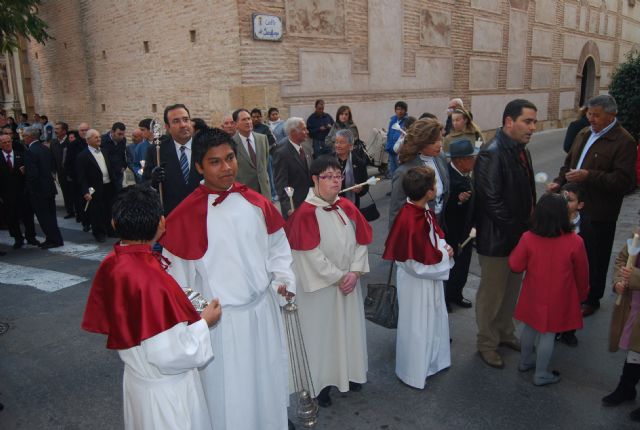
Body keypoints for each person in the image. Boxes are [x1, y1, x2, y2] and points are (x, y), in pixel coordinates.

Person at [161, 128, 296, 430]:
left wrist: (282, 281)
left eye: (230, 158)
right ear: (199, 166)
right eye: (215, 162)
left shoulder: (256, 202)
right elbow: (175, 282)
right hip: (222, 325)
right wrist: (199, 317)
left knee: (266, 381)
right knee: (230, 397)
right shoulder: (183, 217)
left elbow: (278, 246)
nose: (227, 168)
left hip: (262, 313)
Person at [81, 185, 221, 430]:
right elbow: (170, 355)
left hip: (138, 381)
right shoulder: (151, 281)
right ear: (162, 223)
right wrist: (203, 323)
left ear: (114, 223)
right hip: (166, 395)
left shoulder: (113, 262)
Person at [285, 156, 371, 407]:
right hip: (322, 289)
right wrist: (339, 276)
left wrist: (355, 272)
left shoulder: (347, 206)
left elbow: (361, 241)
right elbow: (309, 255)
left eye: (338, 176)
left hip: (348, 283)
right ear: (314, 180)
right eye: (328, 176)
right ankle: (321, 383)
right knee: (323, 337)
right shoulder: (305, 213)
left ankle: (351, 373)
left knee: (349, 331)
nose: (335, 181)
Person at [548, 94, 636, 317]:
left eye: (596, 115)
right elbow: (569, 163)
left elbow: (624, 181)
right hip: (572, 207)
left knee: (595, 256)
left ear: (611, 116)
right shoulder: (584, 132)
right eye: (589, 113)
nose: (591, 118)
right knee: (571, 252)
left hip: (599, 211)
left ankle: (592, 298)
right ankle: (572, 290)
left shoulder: (624, 141)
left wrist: (589, 176)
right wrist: (559, 182)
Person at [474, 99, 537, 369]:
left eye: (534, 121)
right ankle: (487, 344)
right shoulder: (492, 152)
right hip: (497, 238)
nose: (533, 127)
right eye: (528, 121)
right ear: (509, 122)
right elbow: (491, 201)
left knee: (512, 291)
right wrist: (518, 232)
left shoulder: (521, 149)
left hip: (518, 237)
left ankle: (506, 333)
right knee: (492, 294)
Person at [383, 166, 453, 389]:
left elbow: (430, 241)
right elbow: (412, 263)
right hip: (416, 283)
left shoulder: (420, 212)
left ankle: (433, 361)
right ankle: (413, 371)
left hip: (427, 279)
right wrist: (443, 256)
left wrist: (442, 248)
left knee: (431, 321)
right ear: (429, 192)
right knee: (417, 326)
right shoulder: (411, 219)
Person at [509, 193, 589, 386]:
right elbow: (582, 272)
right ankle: (541, 373)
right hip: (560, 295)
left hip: (533, 292)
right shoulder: (575, 241)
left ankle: (525, 361)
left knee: (529, 327)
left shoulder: (528, 238)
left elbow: (515, 265)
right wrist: (582, 294)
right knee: (548, 333)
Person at [604, 234, 640, 423]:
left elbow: (631, 271)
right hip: (634, 305)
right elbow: (622, 259)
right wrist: (619, 281)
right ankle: (626, 388)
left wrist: (633, 276)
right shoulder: (638, 235)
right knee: (634, 351)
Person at [143, 104, 203, 216]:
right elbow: (144, 184)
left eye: (186, 120)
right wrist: (153, 181)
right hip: (172, 215)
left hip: (202, 213)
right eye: (176, 121)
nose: (183, 125)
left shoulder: (205, 147)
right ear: (167, 127)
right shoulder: (156, 151)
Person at [388, 118, 449, 229]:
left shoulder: (440, 157)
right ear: (421, 142)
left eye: (441, 139)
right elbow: (396, 212)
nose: (440, 144)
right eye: (434, 141)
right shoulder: (404, 172)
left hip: (440, 224)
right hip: (418, 230)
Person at [443, 139, 478, 311]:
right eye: (471, 158)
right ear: (459, 160)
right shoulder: (449, 176)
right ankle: (447, 298)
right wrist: (458, 201)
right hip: (453, 231)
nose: (474, 160)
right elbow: (444, 206)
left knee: (463, 266)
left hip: (467, 231)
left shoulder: (466, 173)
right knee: (452, 266)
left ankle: (457, 294)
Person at [556, 182, 592, 347]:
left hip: (574, 274)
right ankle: (555, 329)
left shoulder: (587, 226)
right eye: (562, 198)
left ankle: (569, 332)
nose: (565, 203)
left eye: (569, 200)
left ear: (580, 205)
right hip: (557, 273)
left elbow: (589, 256)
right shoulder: (553, 222)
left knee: (573, 305)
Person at [22, 126, 64, 249]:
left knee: (44, 217)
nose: (23, 138)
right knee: (51, 215)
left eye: (24, 136)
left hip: (39, 190)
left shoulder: (30, 151)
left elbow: (33, 174)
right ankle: (55, 238)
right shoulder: (44, 148)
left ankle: (53, 240)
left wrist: (30, 188)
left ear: (30, 137)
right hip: (49, 187)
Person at [76, 129, 117, 243]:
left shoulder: (105, 151)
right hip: (94, 188)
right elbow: (81, 177)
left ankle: (110, 230)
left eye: (99, 136)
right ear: (88, 140)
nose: (99, 139)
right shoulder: (82, 156)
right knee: (96, 212)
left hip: (108, 185)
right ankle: (99, 233)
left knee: (109, 210)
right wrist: (85, 191)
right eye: (95, 137)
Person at [0, 134, 39, 249]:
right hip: (7, 194)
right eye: (4, 142)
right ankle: (18, 238)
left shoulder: (21, 155)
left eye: (8, 141)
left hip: (23, 192)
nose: (7, 144)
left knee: (28, 216)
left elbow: (30, 173)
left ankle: (31, 237)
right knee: (12, 217)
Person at [273, 117, 312, 219]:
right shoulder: (282, 153)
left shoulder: (305, 148)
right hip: (294, 206)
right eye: (304, 129)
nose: (307, 132)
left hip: (308, 202)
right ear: (293, 132)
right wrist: (288, 207)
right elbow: (281, 183)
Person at [232, 108, 271, 199]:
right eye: (244, 120)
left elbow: (265, 162)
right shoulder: (231, 143)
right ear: (236, 124)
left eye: (249, 119)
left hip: (264, 191)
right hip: (244, 193)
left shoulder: (262, 139)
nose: (248, 122)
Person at [335, 129, 368, 208]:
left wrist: (360, 189)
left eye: (341, 142)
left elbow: (365, 185)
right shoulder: (328, 161)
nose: (337, 145)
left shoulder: (359, 163)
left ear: (350, 146)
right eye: (336, 142)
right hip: (332, 205)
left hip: (351, 205)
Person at [51, 121, 76, 218]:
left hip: (71, 173)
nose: (55, 131)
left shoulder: (70, 142)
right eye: (55, 128)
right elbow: (52, 158)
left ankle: (78, 210)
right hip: (61, 174)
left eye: (57, 129)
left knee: (74, 192)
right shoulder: (54, 143)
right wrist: (53, 171)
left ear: (64, 131)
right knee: (65, 192)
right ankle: (70, 211)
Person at [101, 122, 127, 191]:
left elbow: (122, 154)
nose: (121, 137)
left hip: (119, 173)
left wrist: (124, 165)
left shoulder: (123, 140)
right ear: (112, 132)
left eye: (123, 134)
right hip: (108, 174)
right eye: (119, 134)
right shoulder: (102, 141)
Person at [385, 101, 408, 178]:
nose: (400, 111)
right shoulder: (392, 121)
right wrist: (388, 145)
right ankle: (394, 189)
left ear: (405, 110)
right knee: (393, 173)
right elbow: (389, 134)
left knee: (401, 173)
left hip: (400, 153)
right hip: (391, 151)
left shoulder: (407, 121)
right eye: (398, 109)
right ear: (395, 110)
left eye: (402, 109)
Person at [134, 118, 153, 183]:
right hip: (145, 182)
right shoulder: (139, 147)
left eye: (142, 130)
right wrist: (140, 174)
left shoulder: (162, 144)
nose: (140, 132)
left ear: (151, 129)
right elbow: (136, 165)